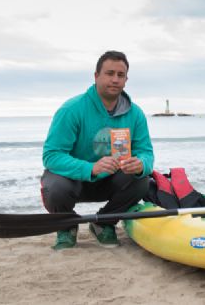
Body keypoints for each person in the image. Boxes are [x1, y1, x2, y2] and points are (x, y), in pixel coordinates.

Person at [41, 51, 154, 250]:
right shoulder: (72, 109)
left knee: (142, 180)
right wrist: (91, 168)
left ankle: (103, 223)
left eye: (120, 75)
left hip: (110, 181)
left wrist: (141, 164)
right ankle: (67, 227)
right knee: (54, 187)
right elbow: (51, 156)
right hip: (74, 180)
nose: (115, 79)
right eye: (109, 73)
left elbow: (146, 153)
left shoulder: (135, 114)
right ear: (96, 76)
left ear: (126, 80)